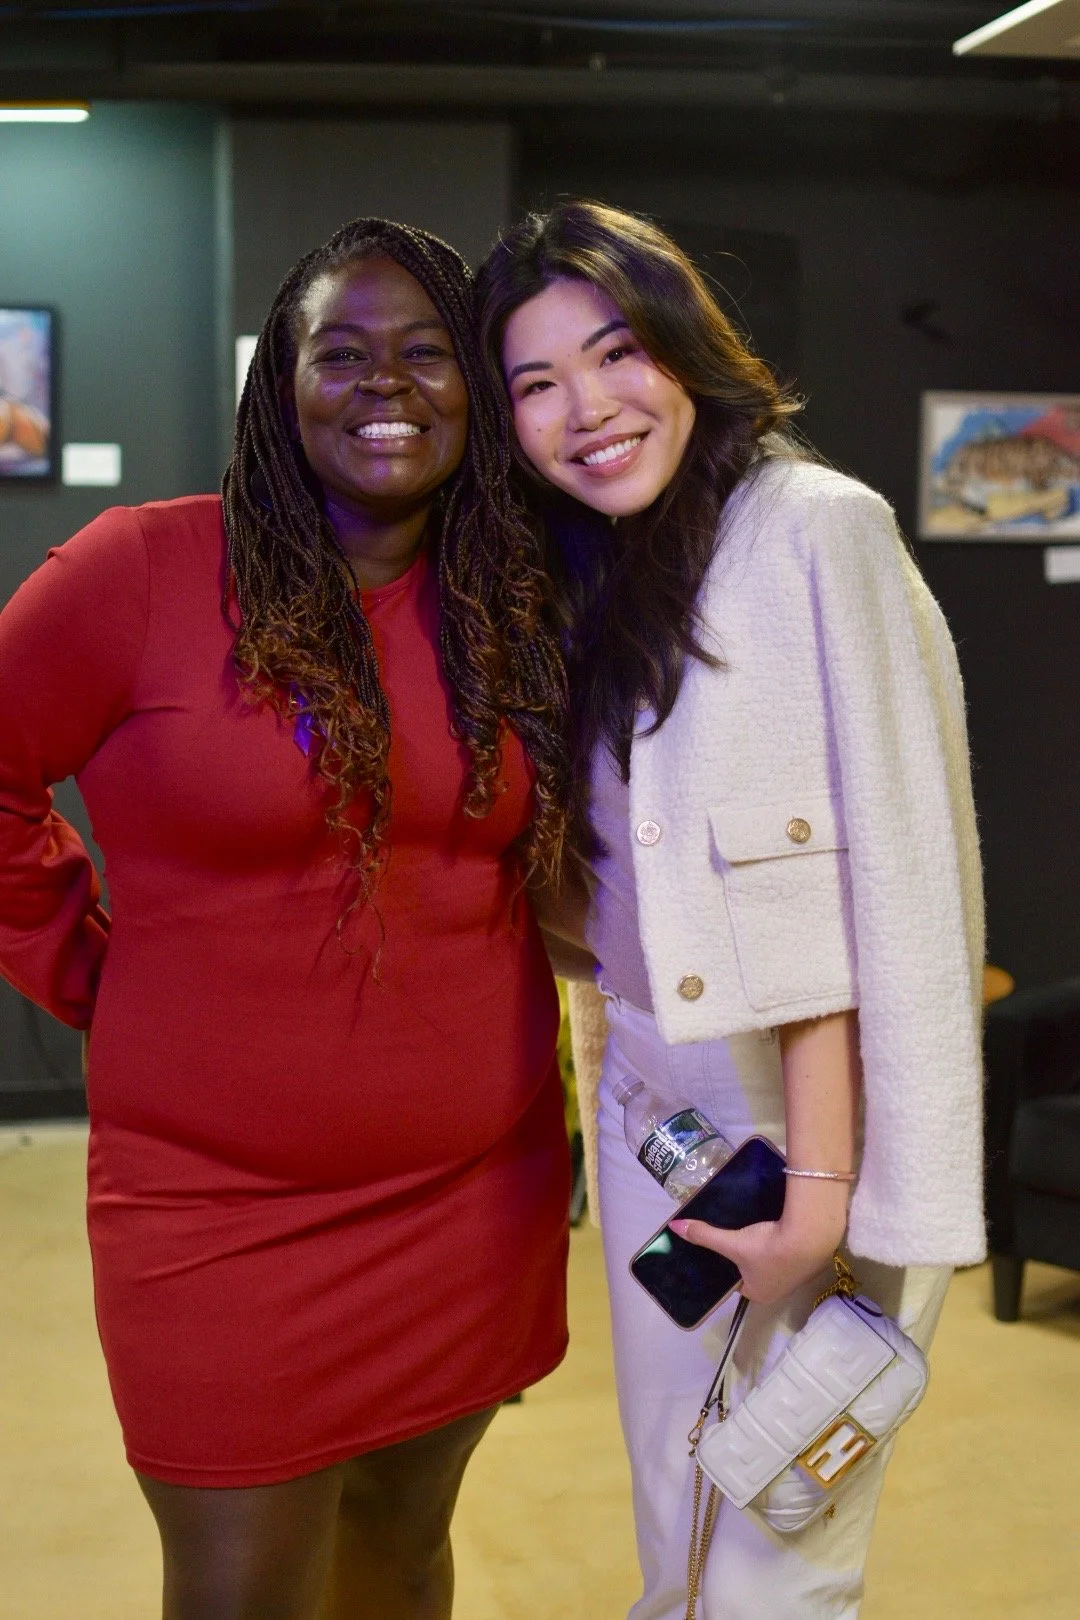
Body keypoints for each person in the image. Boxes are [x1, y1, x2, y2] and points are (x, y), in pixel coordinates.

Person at [0, 217, 574, 1620]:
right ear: (282, 382)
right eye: (345, 351)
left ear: (478, 390)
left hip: (470, 1192)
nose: (390, 383)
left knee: (405, 1553)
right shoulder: (140, 571)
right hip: (215, 1210)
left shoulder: (513, 604)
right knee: (240, 1593)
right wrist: (85, 962)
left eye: (430, 352)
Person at [477, 200, 985, 1619]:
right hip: (668, 1108)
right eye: (534, 383)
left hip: (815, 1112)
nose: (585, 409)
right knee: (679, 1513)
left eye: (615, 351)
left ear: (687, 346)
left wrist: (820, 1197)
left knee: (777, 1553)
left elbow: (877, 886)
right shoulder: (603, 569)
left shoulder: (815, 531)